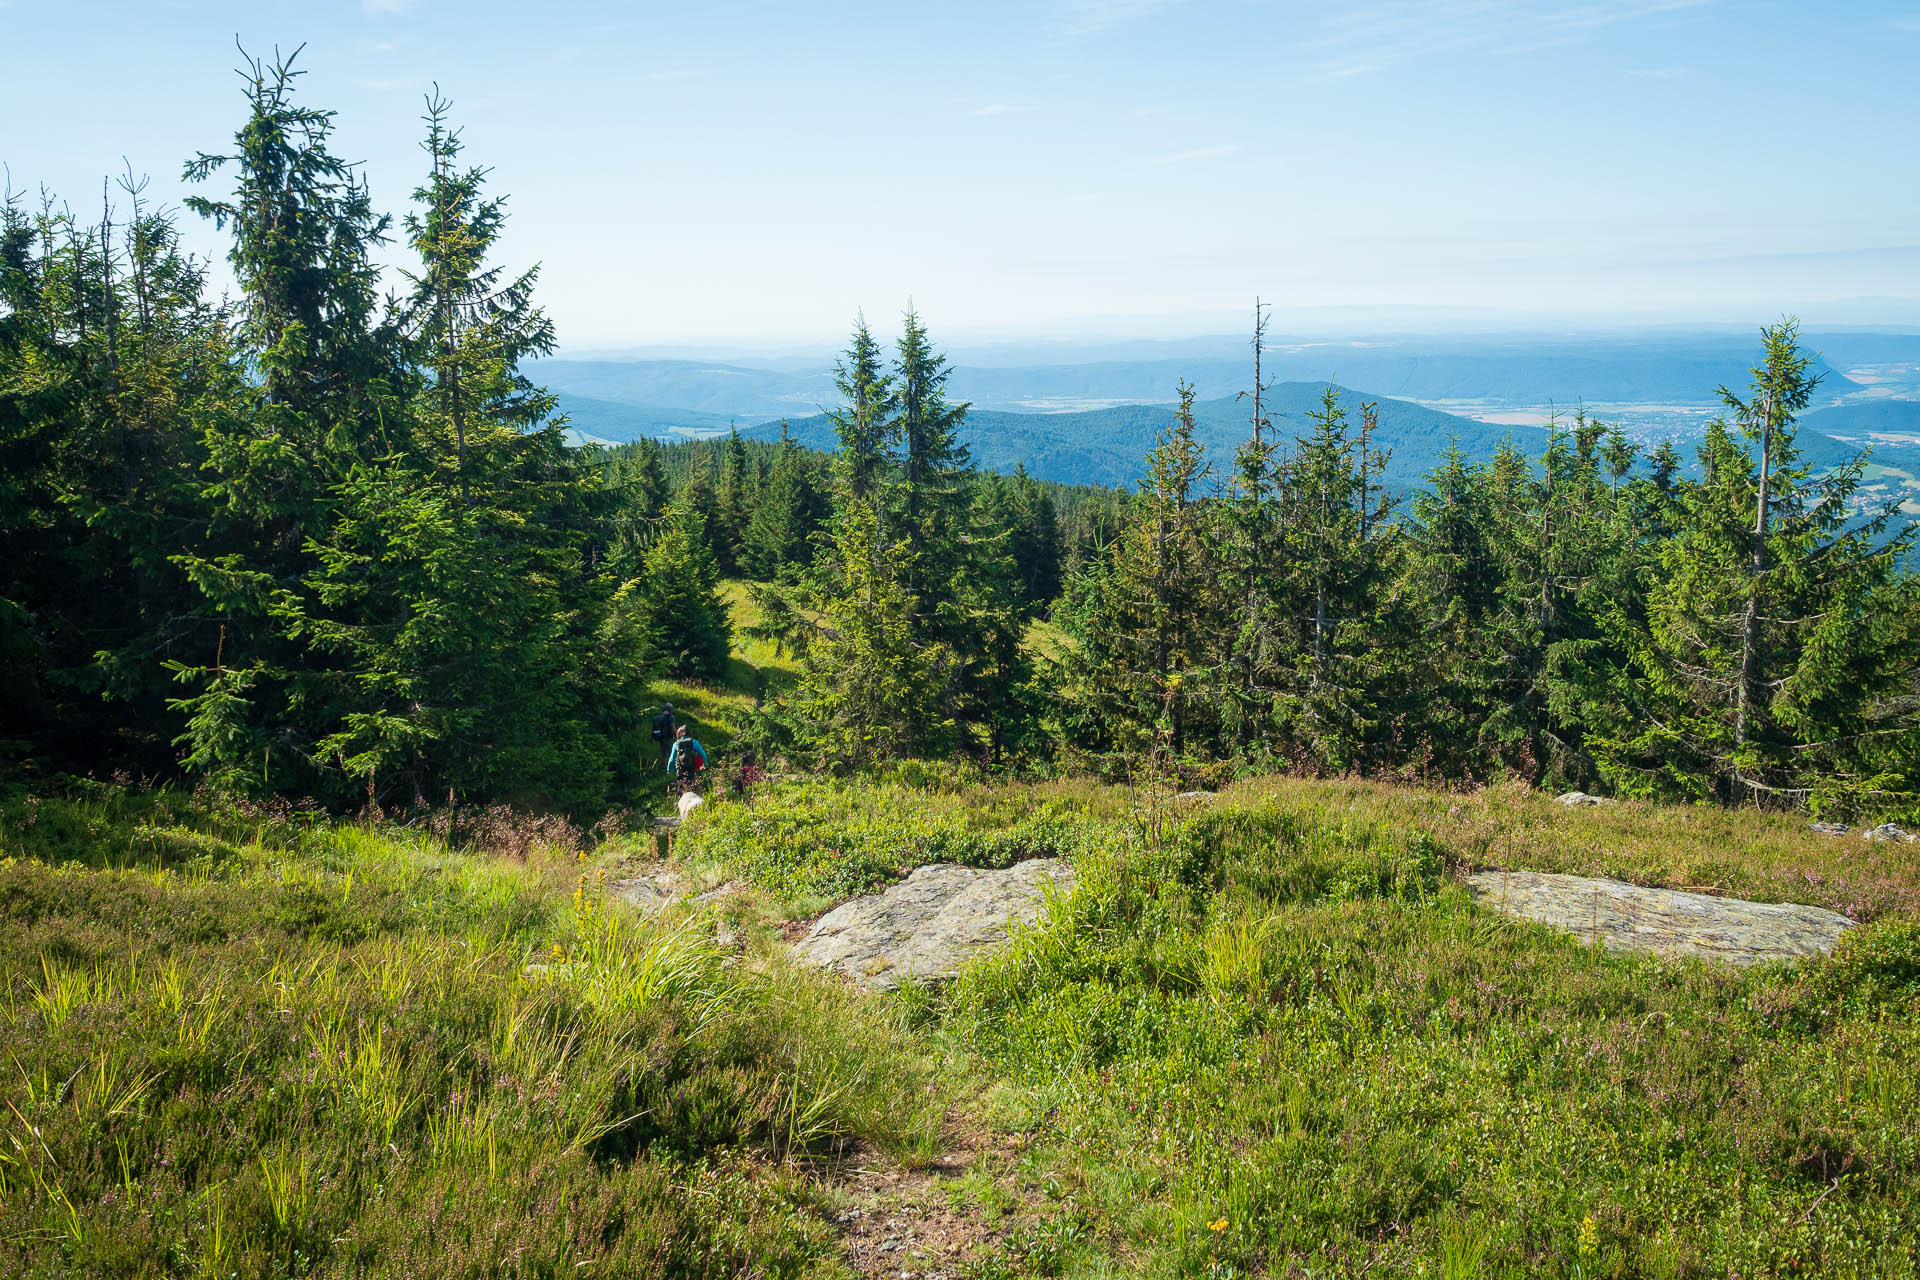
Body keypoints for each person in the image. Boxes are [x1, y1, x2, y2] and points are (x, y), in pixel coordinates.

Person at [665, 724, 707, 795]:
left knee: (681, 787)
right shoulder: (694, 742)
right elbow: (703, 753)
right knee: (696, 786)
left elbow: (672, 758)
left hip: (681, 769)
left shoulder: (676, 744)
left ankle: (682, 801)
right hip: (694, 768)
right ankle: (698, 802)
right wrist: (705, 763)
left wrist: (669, 770)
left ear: (679, 733)